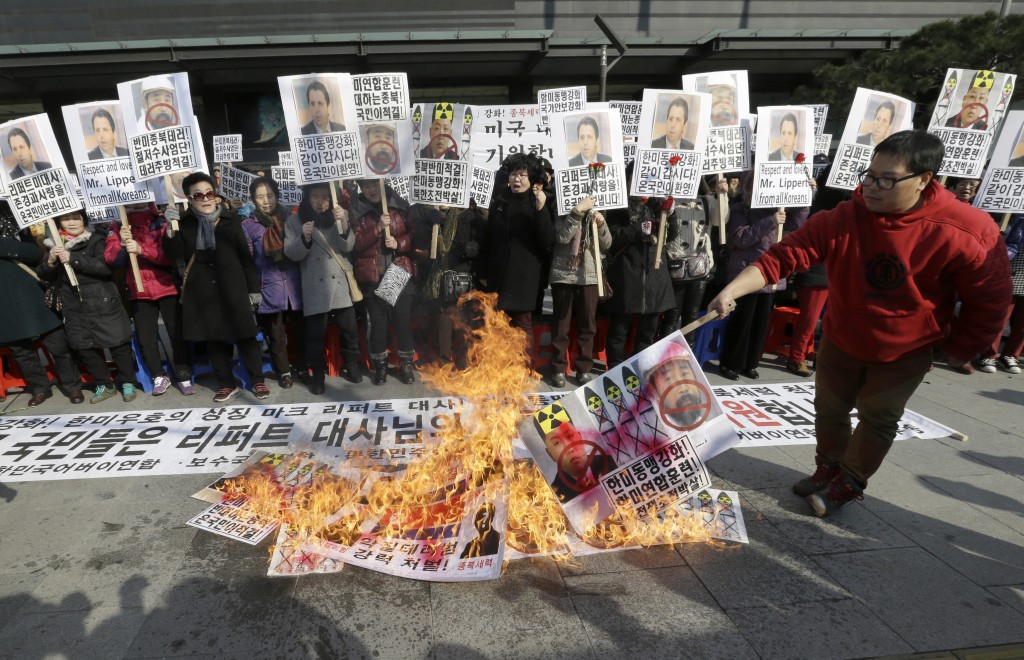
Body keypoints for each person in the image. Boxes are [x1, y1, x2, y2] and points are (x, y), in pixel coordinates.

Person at [708, 130, 1012, 517]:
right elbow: (784, 256)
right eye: (869, 175)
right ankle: (828, 467)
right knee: (828, 408)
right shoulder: (844, 216)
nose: (871, 186)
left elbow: (990, 298)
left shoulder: (968, 229)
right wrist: (734, 289)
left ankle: (851, 481)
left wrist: (960, 348)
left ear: (925, 179)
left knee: (879, 417)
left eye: (887, 179)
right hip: (841, 336)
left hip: (905, 349)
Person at [163, 172, 271, 403]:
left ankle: (257, 380)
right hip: (201, 292)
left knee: (246, 336)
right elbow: (173, 254)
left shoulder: (231, 220)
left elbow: (245, 258)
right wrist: (170, 230)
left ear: (216, 195)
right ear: (190, 199)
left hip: (234, 289)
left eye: (209, 193)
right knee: (213, 339)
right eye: (198, 195)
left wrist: (253, 290)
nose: (205, 199)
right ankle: (226, 384)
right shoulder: (183, 224)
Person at [39, 208, 138, 404]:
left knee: (118, 343)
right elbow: (45, 276)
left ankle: (128, 381)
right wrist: (50, 261)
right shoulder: (55, 244)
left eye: (76, 217)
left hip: (102, 299)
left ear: (84, 220)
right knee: (84, 347)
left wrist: (73, 259)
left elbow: (106, 268)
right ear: (59, 223)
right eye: (66, 218)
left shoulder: (97, 238)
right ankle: (104, 384)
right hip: (73, 304)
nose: (72, 222)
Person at [718, 176, 809, 380]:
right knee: (741, 323)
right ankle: (730, 363)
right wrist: (771, 221)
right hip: (745, 274)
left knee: (760, 323)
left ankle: (751, 363)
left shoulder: (778, 208)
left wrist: (805, 195)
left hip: (771, 275)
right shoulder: (740, 210)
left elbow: (798, 224)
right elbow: (741, 238)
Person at [104, 201, 193, 395]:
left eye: (139, 200)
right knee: (146, 337)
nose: (135, 204)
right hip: (138, 290)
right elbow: (111, 259)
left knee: (177, 333)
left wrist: (142, 249)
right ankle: (158, 375)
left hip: (167, 287)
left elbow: (169, 256)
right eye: (130, 202)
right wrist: (121, 243)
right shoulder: (117, 227)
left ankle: (184, 374)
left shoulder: (160, 223)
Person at [0, 200, 84, 406]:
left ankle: (72, 385)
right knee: (21, 350)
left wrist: (5, 246)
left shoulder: (15, 222)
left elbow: (33, 252)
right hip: (4, 301)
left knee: (57, 343)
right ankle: (39, 387)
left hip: (31, 294)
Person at [283, 182, 362, 393]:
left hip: (339, 283)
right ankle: (317, 375)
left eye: (325, 197)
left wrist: (344, 223)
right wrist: (304, 238)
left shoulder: (340, 214)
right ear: (307, 199)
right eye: (315, 197)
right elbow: (291, 253)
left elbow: (348, 246)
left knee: (350, 329)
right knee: (315, 335)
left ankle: (351, 363)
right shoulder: (294, 221)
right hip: (314, 284)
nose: (321, 202)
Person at [241, 176, 306, 389]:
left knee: (300, 330)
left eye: (269, 195)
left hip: (295, 284)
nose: (266, 201)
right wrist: (252, 290)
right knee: (276, 335)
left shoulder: (292, 218)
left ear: (277, 195)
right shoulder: (248, 225)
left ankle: (303, 367)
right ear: (253, 200)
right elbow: (248, 260)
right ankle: (284, 371)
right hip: (268, 286)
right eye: (260, 197)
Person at [480, 153, 556, 337]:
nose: (517, 179)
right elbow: (489, 238)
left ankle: (522, 366)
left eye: (522, 175)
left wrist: (540, 210)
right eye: (514, 174)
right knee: (497, 326)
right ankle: (499, 365)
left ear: (531, 179)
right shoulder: (501, 201)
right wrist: (484, 272)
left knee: (522, 327)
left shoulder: (537, 202)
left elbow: (548, 240)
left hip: (524, 279)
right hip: (499, 276)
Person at [350, 179, 417, 385]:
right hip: (372, 275)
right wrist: (378, 227)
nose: (371, 190)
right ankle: (380, 367)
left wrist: (400, 242)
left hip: (398, 270)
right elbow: (356, 244)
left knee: (401, 322)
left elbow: (414, 234)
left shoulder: (400, 205)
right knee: (378, 324)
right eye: (366, 186)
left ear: (383, 184)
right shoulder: (355, 211)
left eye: (374, 185)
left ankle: (406, 364)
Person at [603, 191, 676, 368]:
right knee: (620, 325)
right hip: (627, 271)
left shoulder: (659, 203)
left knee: (649, 327)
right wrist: (641, 228)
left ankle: (642, 363)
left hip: (655, 272)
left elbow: (671, 235)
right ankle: (614, 364)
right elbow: (614, 238)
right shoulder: (618, 205)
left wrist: (671, 214)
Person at [548, 195, 611, 388]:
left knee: (588, 324)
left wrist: (601, 224)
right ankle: (558, 368)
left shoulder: (597, 209)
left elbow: (607, 244)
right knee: (561, 324)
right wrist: (576, 212)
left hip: (590, 275)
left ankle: (584, 368)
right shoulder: (560, 206)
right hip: (564, 274)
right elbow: (562, 237)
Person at [421, 204, 483, 370]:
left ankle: (463, 361)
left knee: (463, 318)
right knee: (444, 318)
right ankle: (444, 361)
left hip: (461, 274)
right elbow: (420, 245)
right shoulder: (429, 214)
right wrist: (430, 225)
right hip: (438, 275)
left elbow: (483, 240)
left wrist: (472, 248)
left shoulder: (470, 215)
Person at [660, 195, 716, 343]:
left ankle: (686, 356)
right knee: (672, 316)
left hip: (699, 267)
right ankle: (664, 356)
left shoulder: (706, 200)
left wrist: (722, 195)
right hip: (675, 266)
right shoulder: (669, 198)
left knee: (692, 316)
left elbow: (720, 220)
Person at [976, 213, 1024, 375]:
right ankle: (989, 354)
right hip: (1013, 270)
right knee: (1000, 318)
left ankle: (1011, 355)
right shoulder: (1018, 215)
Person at [534, 412, 616, 504]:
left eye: (570, 436)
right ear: (550, 454)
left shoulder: (612, 462)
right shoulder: (556, 497)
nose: (570, 448)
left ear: (580, 438)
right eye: (557, 443)